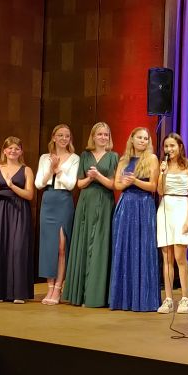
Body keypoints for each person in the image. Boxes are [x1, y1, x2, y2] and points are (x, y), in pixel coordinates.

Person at [63, 122, 118, 307]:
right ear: (93, 136)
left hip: (105, 202)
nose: (103, 137)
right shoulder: (85, 156)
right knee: (84, 242)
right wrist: (89, 178)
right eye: (99, 134)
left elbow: (113, 185)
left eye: (106, 134)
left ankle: (97, 296)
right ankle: (81, 294)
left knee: (100, 245)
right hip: (86, 202)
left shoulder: (113, 156)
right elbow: (79, 184)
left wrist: (98, 176)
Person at [109, 127, 161, 311]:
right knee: (125, 248)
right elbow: (116, 185)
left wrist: (135, 181)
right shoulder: (124, 159)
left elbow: (153, 187)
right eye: (139, 137)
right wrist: (124, 183)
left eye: (146, 138)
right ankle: (123, 299)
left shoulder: (152, 159)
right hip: (126, 206)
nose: (143, 141)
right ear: (131, 139)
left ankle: (144, 299)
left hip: (144, 205)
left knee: (143, 248)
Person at [0, 136, 35, 302]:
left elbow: (29, 195)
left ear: (21, 152)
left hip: (19, 210)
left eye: (17, 148)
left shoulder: (26, 170)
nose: (13, 151)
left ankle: (18, 293)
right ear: (4, 150)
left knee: (18, 248)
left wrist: (12, 186)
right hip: (0, 210)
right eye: (10, 148)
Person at [35, 124, 80, 305]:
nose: (63, 138)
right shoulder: (44, 157)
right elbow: (39, 183)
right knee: (49, 246)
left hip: (63, 200)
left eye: (67, 136)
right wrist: (50, 169)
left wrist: (58, 170)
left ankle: (58, 288)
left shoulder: (74, 158)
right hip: (48, 199)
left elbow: (71, 184)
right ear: (54, 137)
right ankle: (50, 287)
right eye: (60, 135)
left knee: (61, 246)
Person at [156, 133, 188, 314]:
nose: (169, 149)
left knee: (180, 257)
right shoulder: (163, 166)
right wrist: (162, 173)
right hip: (165, 209)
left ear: (180, 146)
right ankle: (168, 299)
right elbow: (160, 191)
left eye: (172, 145)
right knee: (167, 258)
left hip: (182, 208)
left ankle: (185, 298)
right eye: (166, 146)